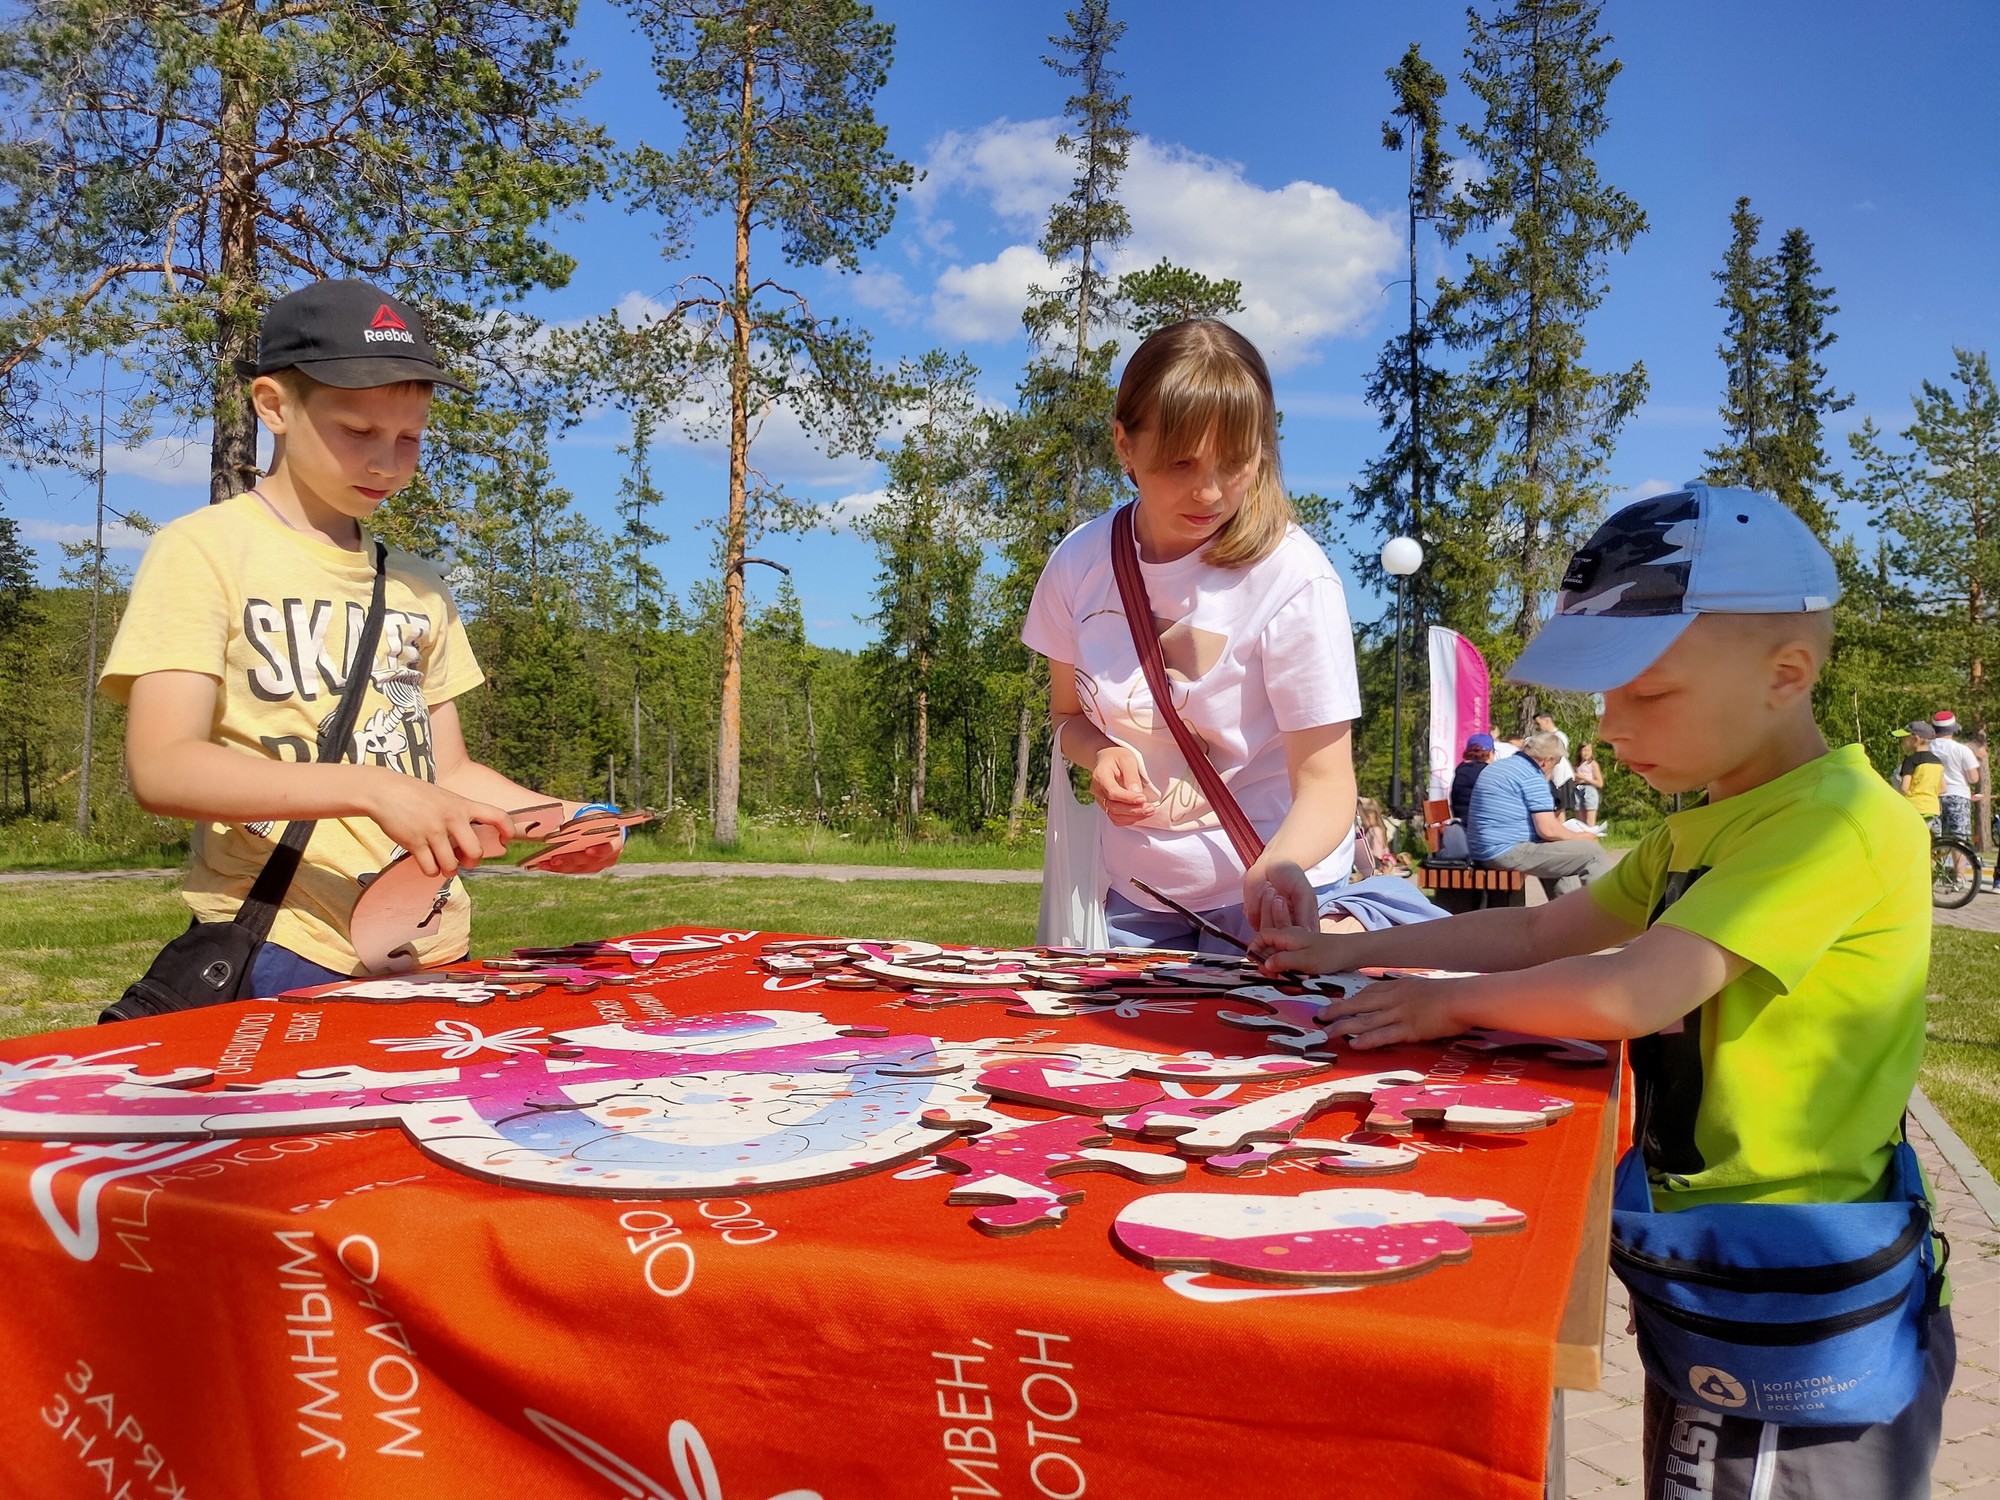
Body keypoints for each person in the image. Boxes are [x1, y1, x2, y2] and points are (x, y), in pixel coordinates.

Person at [1251, 483, 1951, 1500]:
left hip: (1780, 1275)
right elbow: (1546, 928)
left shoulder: (1835, 820)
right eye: (1603, 696)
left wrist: (1445, 1006)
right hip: (1711, 1251)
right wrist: (1349, 954)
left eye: (1647, 692)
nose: (1613, 726)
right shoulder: (1703, 822)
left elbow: (1632, 991)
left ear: (1784, 675)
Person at [101, 280, 624, 995]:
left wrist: (570, 819)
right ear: (274, 406)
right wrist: (373, 791)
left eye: (409, 438)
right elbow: (163, 768)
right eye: (358, 432)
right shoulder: (204, 551)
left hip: (430, 947)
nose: (388, 463)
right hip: (285, 947)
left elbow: (449, 772)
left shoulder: (417, 584)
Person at [1022, 318, 1439, 951]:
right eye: (1180, 463)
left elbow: (1327, 784)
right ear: (1124, 445)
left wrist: (1277, 869)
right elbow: (1064, 716)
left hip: (1271, 905)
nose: (1210, 492)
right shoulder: (1080, 564)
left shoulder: (1293, 577)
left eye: (1236, 462)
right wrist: (1099, 754)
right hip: (1135, 907)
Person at [1463, 728, 1611, 898]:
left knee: (1562, 856)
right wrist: (1583, 836)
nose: (1553, 770)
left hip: (1483, 849)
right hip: (1504, 851)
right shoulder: (1531, 776)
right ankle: (1604, 916)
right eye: (1555, 764)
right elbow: (1548, 830)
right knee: (1593, 853)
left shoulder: (1500, 766)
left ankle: (1569, 917)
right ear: (1546, 761)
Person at [1929, 710, 1982, 841]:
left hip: (1933, 795)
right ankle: (1959, 862)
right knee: (1959, 839)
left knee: (1935, 838)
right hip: (1958, 794)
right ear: (1952, 729)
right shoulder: (1962, 749)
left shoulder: (1928, 748)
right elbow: (1973, 778)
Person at [1897, 721, 1945, 833]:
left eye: (1904, 738)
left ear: (1915, 739)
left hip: (1914, 807)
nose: (1902, 741)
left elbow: (1904, 788)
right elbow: (1943, 788)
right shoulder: (1937, 762)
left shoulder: (1910, 761)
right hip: (1932, 808)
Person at [1449, 733, 1494, 826]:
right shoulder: (1488, 773)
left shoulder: (1461, 771)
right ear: (1490, 753)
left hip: (1462, 822)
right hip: (1479, 825)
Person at [1572, 741, 1605, 827]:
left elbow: (1600, 783)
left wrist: (1584, 778)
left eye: (1588, 750)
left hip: (1589, 790)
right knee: (1579, 823)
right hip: (1578, 790)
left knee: (1590, 822)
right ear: (1579, 752)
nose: (1586, 753)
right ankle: (1581, 839)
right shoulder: (1576, 765)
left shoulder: (1593, 764)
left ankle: (1592, 839)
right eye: (1584, 750)